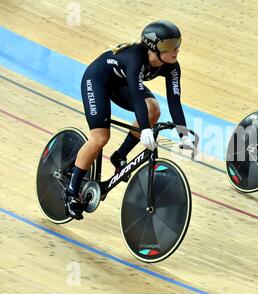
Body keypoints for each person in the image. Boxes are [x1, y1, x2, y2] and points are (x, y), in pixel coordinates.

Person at [64, 20, 195, 220]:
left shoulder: (172, 67)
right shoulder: (136, 58)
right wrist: (145, 130)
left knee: (154, 109)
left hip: (120, 85)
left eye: (177, 43)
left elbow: (174, 102)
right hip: (97, 81)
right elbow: (136, 96)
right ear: (154, 46)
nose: (176, 49)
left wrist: (183, 134)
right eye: (169, 45)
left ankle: (119, 155)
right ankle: (71, 194)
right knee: (100, 138)